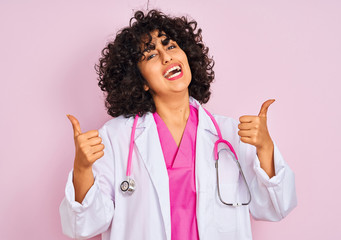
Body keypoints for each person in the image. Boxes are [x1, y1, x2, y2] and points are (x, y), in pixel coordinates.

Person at [59, 9, 297, 240]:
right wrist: (82, 169)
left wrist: (265, 148)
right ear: (140, 81)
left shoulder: (230, 134)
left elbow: (277, 207)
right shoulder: (115, 137)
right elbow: (83, 226)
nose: (166, 56)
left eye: (170, 46)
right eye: (151, 55)